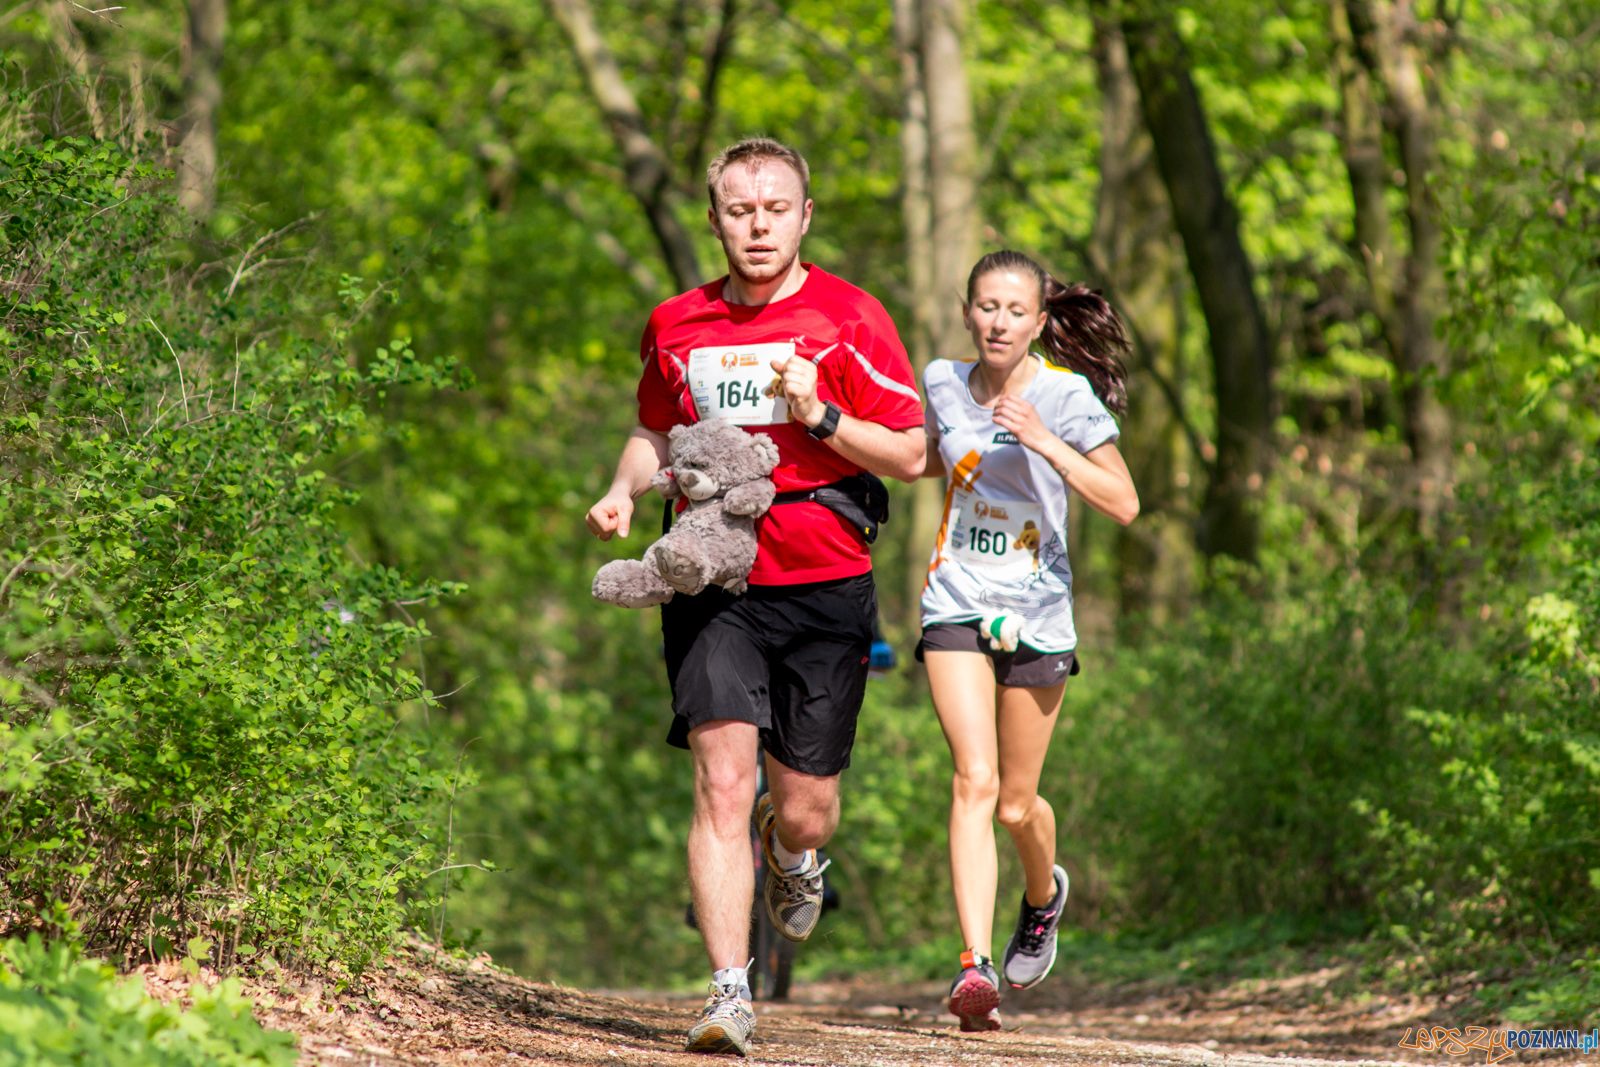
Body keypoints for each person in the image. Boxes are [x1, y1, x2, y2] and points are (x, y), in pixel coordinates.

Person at [586, 137, 925, 1056]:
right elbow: (654, 430)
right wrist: (624, 489)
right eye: (741, 209)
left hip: (825, 576)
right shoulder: (676, 323)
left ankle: (795, 848)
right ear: (716, 219)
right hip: (712, 578)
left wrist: (819, 415)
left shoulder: (851, 316)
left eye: (776, 208)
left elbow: (911, 452)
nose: (759, 224)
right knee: (720, 782)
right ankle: (728, 992)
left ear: (805, 216)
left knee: (805, 802)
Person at [917, 250, 1139, 1032]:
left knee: (1015, 805)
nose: (998, 321)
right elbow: (913, 456)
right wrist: (825, 421)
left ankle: (1043, 896)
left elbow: (1124, 502)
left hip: (1039, 615)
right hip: (956, 604)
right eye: (986, 306)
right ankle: (975, 965)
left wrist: (1045, 440)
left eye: (1015, 309)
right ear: (967, 310)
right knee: (972, 779)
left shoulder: (1066, 396)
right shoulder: (941, 382)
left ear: (1040, 321)